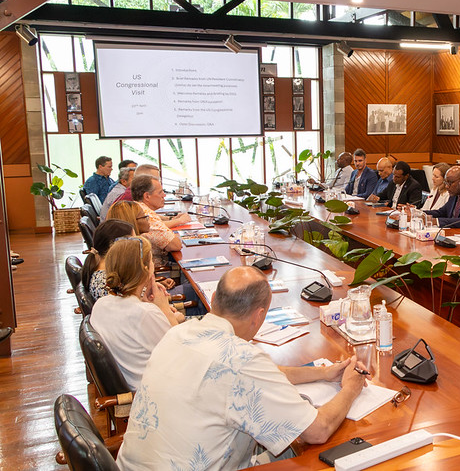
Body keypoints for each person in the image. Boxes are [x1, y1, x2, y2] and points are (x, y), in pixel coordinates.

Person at [116, 266, 369, 469]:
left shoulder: (178, 333)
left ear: (214, 299)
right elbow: (318, 431)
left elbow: (265, 374)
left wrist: (324, 373)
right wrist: (350, 388)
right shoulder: (242, 360)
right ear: (259, 316)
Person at [89, 237, 182, 390]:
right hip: (156, 391)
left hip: (135, 381)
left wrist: (145, 302)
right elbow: (182, 352)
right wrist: (165, 310)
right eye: (151, 261)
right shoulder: (145, 314)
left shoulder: (101, 304)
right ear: (146, 268)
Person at [131, 175, 190, 267]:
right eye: (160, 192)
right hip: (155, 270)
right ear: (147, 196)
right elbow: (175, 245)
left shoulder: (136, 207)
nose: (164, 195)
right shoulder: (145, 215)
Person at [81, 219, 137, 302]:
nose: (138, 247)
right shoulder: (106, 284)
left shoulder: (105, 274)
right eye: (135, 242)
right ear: (118, 246)